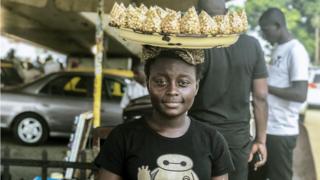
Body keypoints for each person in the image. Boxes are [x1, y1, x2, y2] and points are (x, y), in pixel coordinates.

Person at [95, 47, 234, 180]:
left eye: (183, 83)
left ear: (196, 87)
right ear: (148, 84)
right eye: (161, 82)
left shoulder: (213, 141)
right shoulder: (122, 138)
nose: (172, 90)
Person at [188, 0, 269, 179]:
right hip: (237, 141)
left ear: (197, 13)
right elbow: (261, 97)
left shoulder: (193, 45)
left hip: (198, 136)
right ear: (226, 12)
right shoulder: (252, 45)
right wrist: (261, 140)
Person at [250, 8, 309, 180]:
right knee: (254, 173)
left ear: (278, 25)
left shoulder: (296, 50)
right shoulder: (278, 49)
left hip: (282, 132)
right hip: (266, 129)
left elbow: (300, 93)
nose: (263, 34)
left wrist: (264, 88)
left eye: (265, 29)